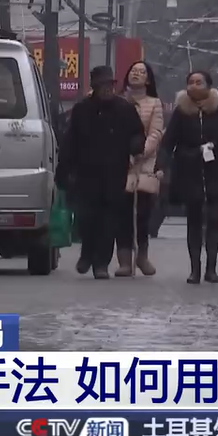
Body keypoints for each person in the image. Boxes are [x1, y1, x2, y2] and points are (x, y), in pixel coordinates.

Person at [56, 66, 146, 279]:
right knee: (87, 218)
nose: (107, 89)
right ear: (95, 87)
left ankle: (101, 263)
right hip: (87, 174)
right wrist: (65, 170)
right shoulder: (82, 110)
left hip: (114, 173)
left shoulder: (124, 109)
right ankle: (86, 254)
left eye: (110, 85)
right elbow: (70, 141)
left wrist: (136, 146)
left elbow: (137, 133)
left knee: (109, 221)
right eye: (102, 85)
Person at [156, 70, 218, 284]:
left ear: (209, 86)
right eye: (191, 82)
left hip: (215, 170)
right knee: (194, 220)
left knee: (214, 219)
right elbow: (169, 141)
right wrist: (162, 165)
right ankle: (195, 269)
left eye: (199, 82)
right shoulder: (182, 111)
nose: (194, 86)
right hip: (189, 170)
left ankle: (211, 269)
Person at [121, 61, 164, 276]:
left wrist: (140, 153)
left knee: (143, 214)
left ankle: (142, 256)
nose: (136, 74)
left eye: (141, 72)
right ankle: (124, 261)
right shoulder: (119, 101)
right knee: (122, 215)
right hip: (120, 164)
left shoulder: (154, 103)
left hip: (144, 164)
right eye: (133, 71)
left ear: (148, 79)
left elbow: (155, 133)